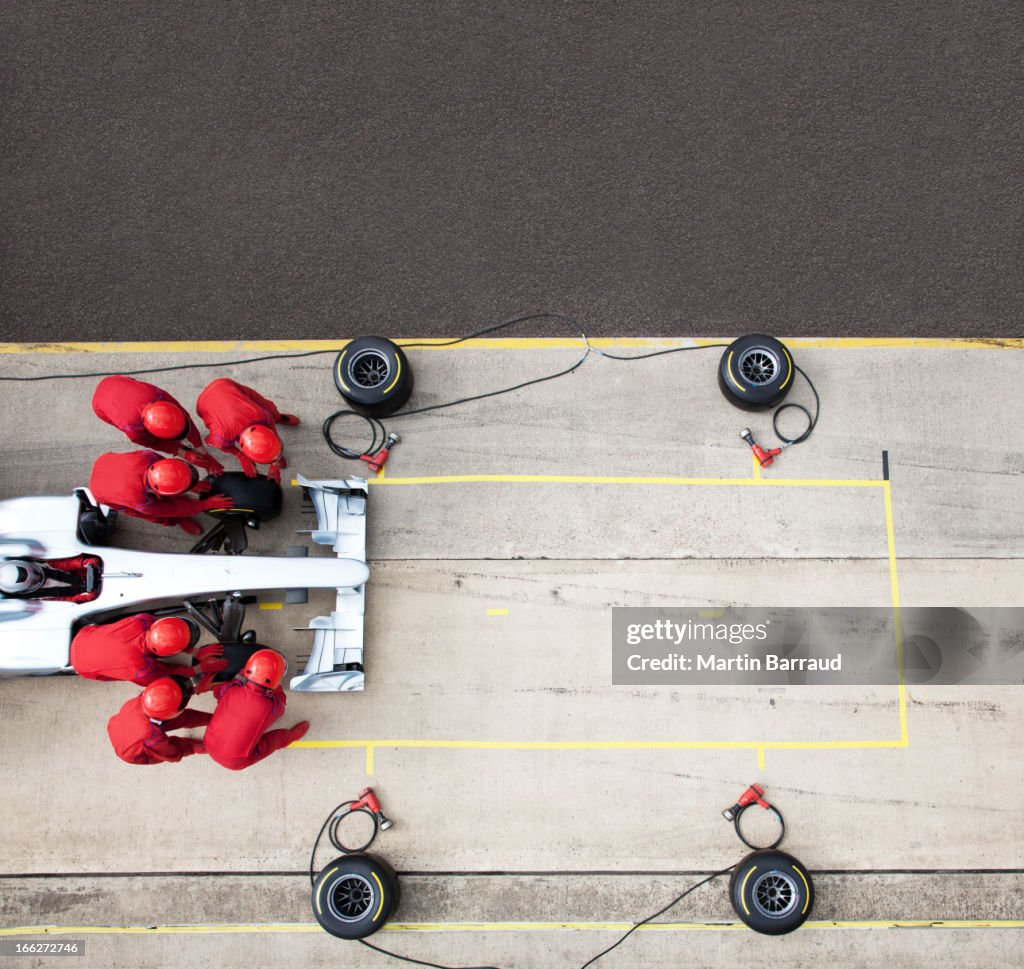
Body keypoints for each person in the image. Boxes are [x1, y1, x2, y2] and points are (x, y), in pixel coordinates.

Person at [92, 375, 224, 474]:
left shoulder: (157, 396)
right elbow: (156, 443)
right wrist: (183, 453)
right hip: (101, 406)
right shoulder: (134, 431)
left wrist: (200, 448)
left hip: (116, 381)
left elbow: (185, 418)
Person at [204, 649, 308, 770]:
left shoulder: (230, 688)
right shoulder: (269, 706)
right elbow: (280, 708)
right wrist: (276, 688)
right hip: (237, 761)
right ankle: (290, 737)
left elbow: (218, 693)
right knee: (276, 739)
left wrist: (238, 679)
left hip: (209, 743)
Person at [88, 451, 233, 535]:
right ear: (156, 493)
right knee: (159, 516)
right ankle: (178, 521)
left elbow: (169, 467)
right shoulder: (139, 501)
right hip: (103, 493)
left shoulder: (148, 457)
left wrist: (189, 484)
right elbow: (170, 508)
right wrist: (206, 504)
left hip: (106, 462)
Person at [196, 378, 299, 484]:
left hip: (225, 386)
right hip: (204, 404)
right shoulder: (220, 438)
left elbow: (273, 433)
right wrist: (241, 456)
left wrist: (275, 462)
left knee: (270, 409)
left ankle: (280, 417)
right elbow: (217, 443)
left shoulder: (262, 415)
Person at [106, 675, 211, 765]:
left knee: (185, 718)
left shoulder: (146, 697)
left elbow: (170, 696)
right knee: (177, 748)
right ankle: (199, 746)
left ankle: (210, 719)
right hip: (132, 751)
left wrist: (195, 690)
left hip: (124, 724)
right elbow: (171, 753)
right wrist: (181, 749)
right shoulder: (152, 740)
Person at [71, 614, 199, 685]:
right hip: (81, 667)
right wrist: (194, 670)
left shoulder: (143, 620)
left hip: (83, 635)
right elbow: (166, 672)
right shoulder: (142, 670)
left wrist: (192, 652)